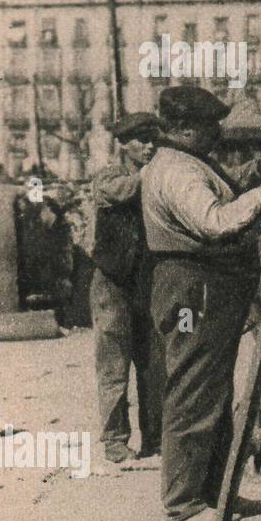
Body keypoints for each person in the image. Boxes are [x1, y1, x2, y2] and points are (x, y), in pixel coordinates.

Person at [141, 86, 261, 521]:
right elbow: (216, 220)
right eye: (211, 125)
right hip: (193, 288)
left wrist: (259, 172)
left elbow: (222, 190)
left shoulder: (187, 161)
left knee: (214, 392)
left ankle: (215, 491)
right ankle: (183, 502)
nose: (217, 132)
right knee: (192, 392)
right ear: (186, 128)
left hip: (205, 287)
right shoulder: (176, 171)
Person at [91, 111, 165, 463]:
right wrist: (159, 170)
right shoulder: (109, 177)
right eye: (142, 140)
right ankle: (115, 440)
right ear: (122, 144)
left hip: (144, 284)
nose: (150, 147)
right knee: (114, 365)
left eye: (154, 140)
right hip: (111, 284)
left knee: (153, 365)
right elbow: (125, 190)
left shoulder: (151, 176)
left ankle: (156, 438)